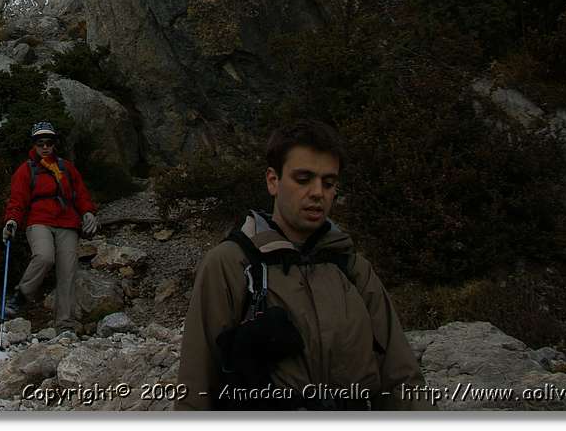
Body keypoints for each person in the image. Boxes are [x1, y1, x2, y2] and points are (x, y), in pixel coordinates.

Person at [174, 120, 432, 411]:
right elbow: (194, 390)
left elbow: (402, 379)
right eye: (303, 178)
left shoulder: (354, 269)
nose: (317, 192)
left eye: (328, 182)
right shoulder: (231, 265)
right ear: (273, 180)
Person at [0, 122, 99, 332]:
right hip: (39, 221)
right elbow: (17, 200)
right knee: (44, 257)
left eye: (49, 143)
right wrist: (12, 220)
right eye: (40, 143)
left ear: (54, 144)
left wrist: (88, 212)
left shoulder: (66, 168)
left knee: (68, 270)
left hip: (67, 223)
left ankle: (65, 323)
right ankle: (21, 295)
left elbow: (80, 194)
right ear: (34, 145)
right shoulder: (26, 170)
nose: (45, 147)